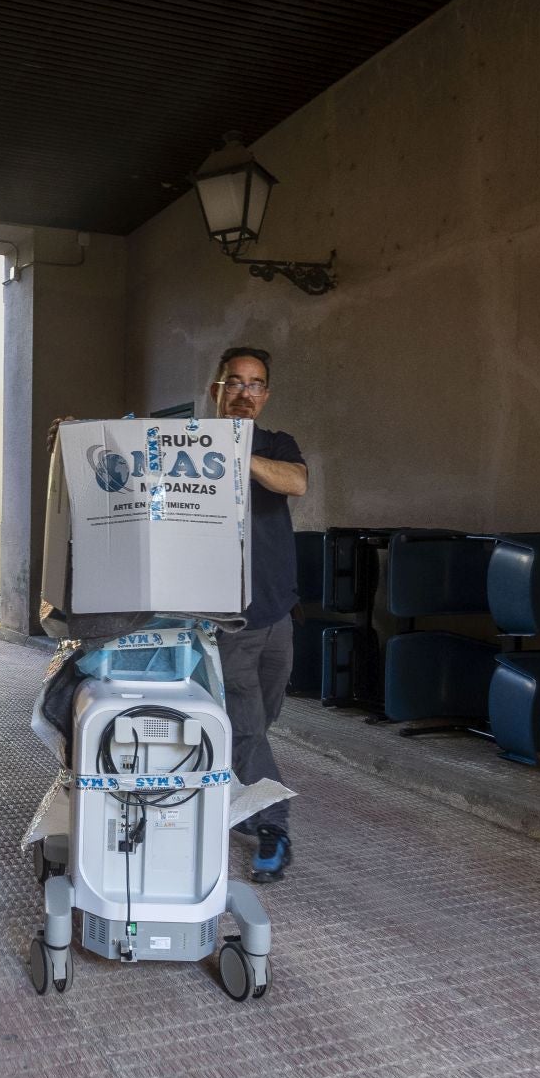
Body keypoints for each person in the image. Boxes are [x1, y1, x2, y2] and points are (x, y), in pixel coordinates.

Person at [210, 346, 306, 883]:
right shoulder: (188, 447)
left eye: (255, 384)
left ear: (265, 395)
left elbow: (296, 482)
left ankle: (232, 793)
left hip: (278, 615)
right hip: (229, 622)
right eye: (234, 382)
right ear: (217, 389)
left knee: (258, 724)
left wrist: (236, 452)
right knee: (247, 727)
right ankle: (274, 827)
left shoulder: (276, 444)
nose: (244, 392)